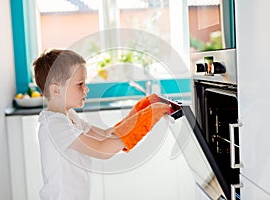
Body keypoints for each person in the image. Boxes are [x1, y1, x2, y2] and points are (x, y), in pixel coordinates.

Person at [33, 49, 173, 200]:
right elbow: (102, 149)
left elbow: (106, 134)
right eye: (80, 84)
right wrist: (147, 118)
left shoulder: (70, 116)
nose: (86, 89)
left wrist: (142, 110)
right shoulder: (55, 126)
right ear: (56, 90)